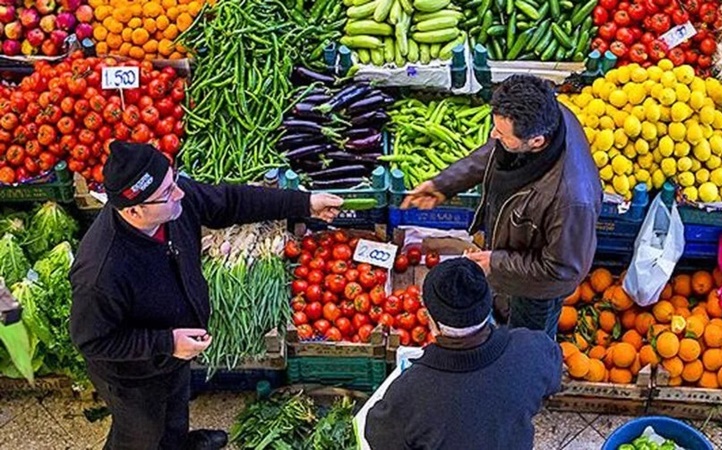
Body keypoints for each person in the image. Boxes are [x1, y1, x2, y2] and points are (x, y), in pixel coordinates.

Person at [69, 141, 343, 450]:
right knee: (140, 434)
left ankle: (180, 443)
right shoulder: (101, 271)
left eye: (174, 181)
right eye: (168, 193)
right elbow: (91, 340)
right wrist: (167, 342)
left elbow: (230, 201)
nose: (180, 194)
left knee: (175, 409)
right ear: (134, 209)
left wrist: (304, 203)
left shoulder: (172, 205)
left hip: (174, 354)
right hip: (133, 376)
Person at [402, 74, 602, 338]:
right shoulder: (547, 115)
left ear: (536, 142)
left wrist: (496, 262)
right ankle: (504, 309)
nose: (493, 135)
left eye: (502, 133)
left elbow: (562, 271)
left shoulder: (571, 200)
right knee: (506, 304)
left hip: (537, 289)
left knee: (527, 337)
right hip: (515, 248)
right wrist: (445, 184)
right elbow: (496, 151)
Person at [364, 258, 562, 449]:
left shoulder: (408, 394)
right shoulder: (534, 349)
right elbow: (552, 383)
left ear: (431, 321)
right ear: (487, 307)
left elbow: (379, 437)